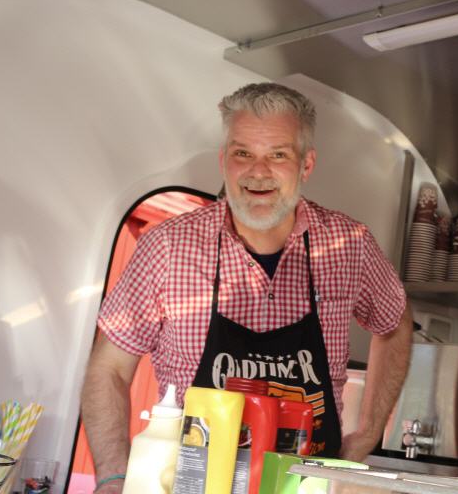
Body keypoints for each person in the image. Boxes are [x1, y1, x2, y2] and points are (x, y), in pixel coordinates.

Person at [82, 83, 412, 492]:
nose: (258, 172)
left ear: (306, 165)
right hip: (193, 484)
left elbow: (395, 323)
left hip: (304, 485)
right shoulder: (168, 245)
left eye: (278, 155)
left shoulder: (348, 245)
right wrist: (114, 476)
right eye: (243, 154)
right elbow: (109, 367)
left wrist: (367, 433)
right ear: (224, 161)